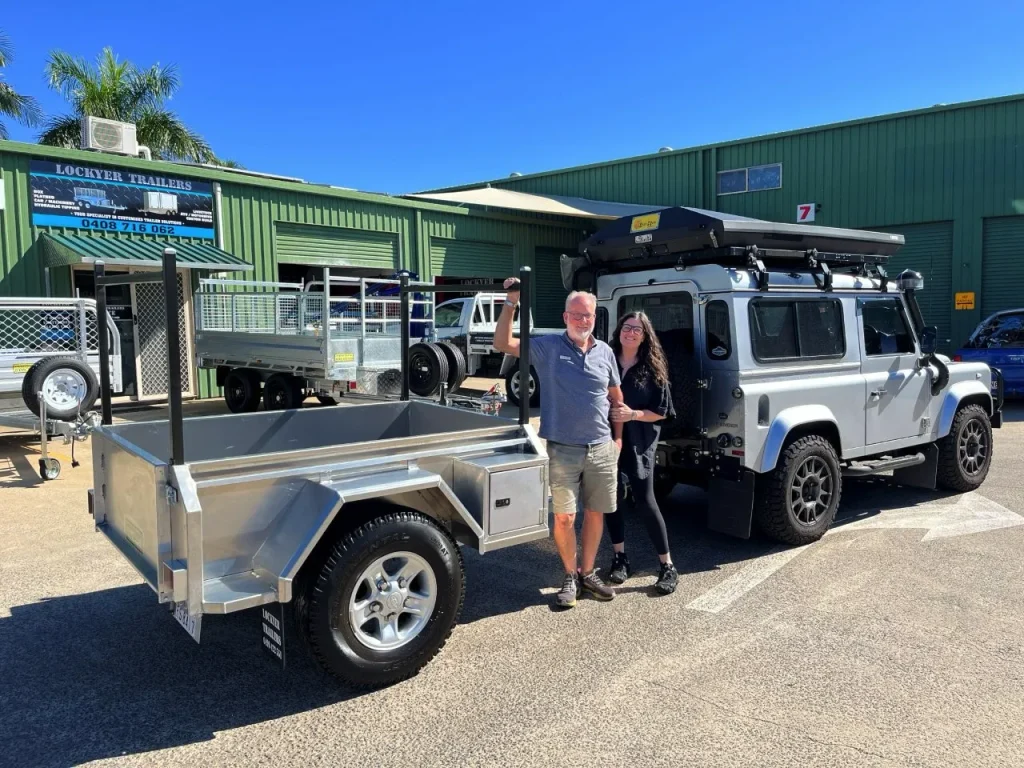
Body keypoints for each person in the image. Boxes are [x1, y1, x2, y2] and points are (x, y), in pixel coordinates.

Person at [494, 278, 624, 608]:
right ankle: (569, 574)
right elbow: (502, 343)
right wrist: (512, 302)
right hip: (563, 450)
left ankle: (588, 572)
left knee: (596, 514)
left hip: (601, 448)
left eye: (589, 316)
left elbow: (616, 398)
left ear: (595, 318)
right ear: (566, 317)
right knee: (565, 518)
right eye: (577, 315)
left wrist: (618, 440)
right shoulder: (548, 347)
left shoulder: (605, 352)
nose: (584, 321)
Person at [605, 311, 679, 595]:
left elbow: (661, 413)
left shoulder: (653, 368)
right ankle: (620, 558)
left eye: (637, 329)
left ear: (646, 335)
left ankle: (667, 566)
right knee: (612, 501)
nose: (631, 332)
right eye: (627, 327)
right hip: (607, 441)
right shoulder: (606, 358)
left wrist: (632, 413)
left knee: (646, 501)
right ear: (619, 331)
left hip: (638, 442)